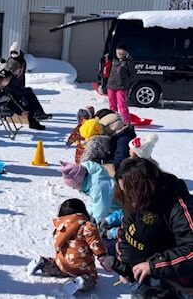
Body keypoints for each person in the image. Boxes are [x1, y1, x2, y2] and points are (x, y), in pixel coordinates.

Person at [110, 158, 193, 297]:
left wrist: (154, 266)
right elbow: (125, 233)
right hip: (146, 276)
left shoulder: (177, 204)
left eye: (128, 191)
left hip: (176, 277)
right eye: (123, 190)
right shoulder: (131, 200)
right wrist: (125, 265)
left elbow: (191, 249)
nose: (126, 196)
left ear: (142, 188)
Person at [28, 198, 107, 292]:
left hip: (63, 264)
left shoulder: (61, 227)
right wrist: (102, 256)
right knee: (92, 279)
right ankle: (81, 281)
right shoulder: (86, 226)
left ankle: (44, 263)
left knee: (57, 267)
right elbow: (95, 243)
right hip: (82, 267)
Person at [107, 43, 134, 125]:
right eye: (117, 49)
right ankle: (113, 122)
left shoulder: (128, 62)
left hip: (121, 87)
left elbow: (132, 75)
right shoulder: (113, 60)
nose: (119, 52)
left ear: (125, 52)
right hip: (111, 85)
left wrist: (127, 84)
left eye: (121, 50)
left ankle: (127, 123)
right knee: (112, 106)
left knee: (122, 105)